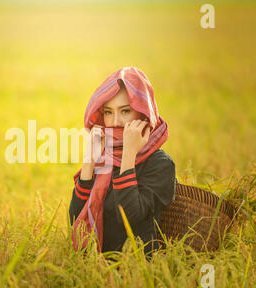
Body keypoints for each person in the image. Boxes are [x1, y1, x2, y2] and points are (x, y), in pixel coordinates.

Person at [68, 66, 176, 259]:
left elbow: (130, 217)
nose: (115, 121)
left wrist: (128, 156)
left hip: (137, 270)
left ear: (143, 114)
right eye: (108, 112)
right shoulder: (104, 156)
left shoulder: (160, 164)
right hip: (95, 268)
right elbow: (75, 220)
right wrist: (89, 162)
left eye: (125, 111)